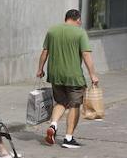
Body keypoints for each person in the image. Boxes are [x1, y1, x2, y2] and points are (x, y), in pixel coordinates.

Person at [35, 8, 100, 149]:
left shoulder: (52, 31)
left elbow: (44, 52)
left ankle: (53, 125)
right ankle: (68, 138)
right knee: (74, 105)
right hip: (73, 76)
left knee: (61, 102)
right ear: (78, 19)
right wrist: (93, 74)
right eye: (80, 21)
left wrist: (40, 69)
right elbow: (86, 55)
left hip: (55, 74)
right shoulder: (80, 32)